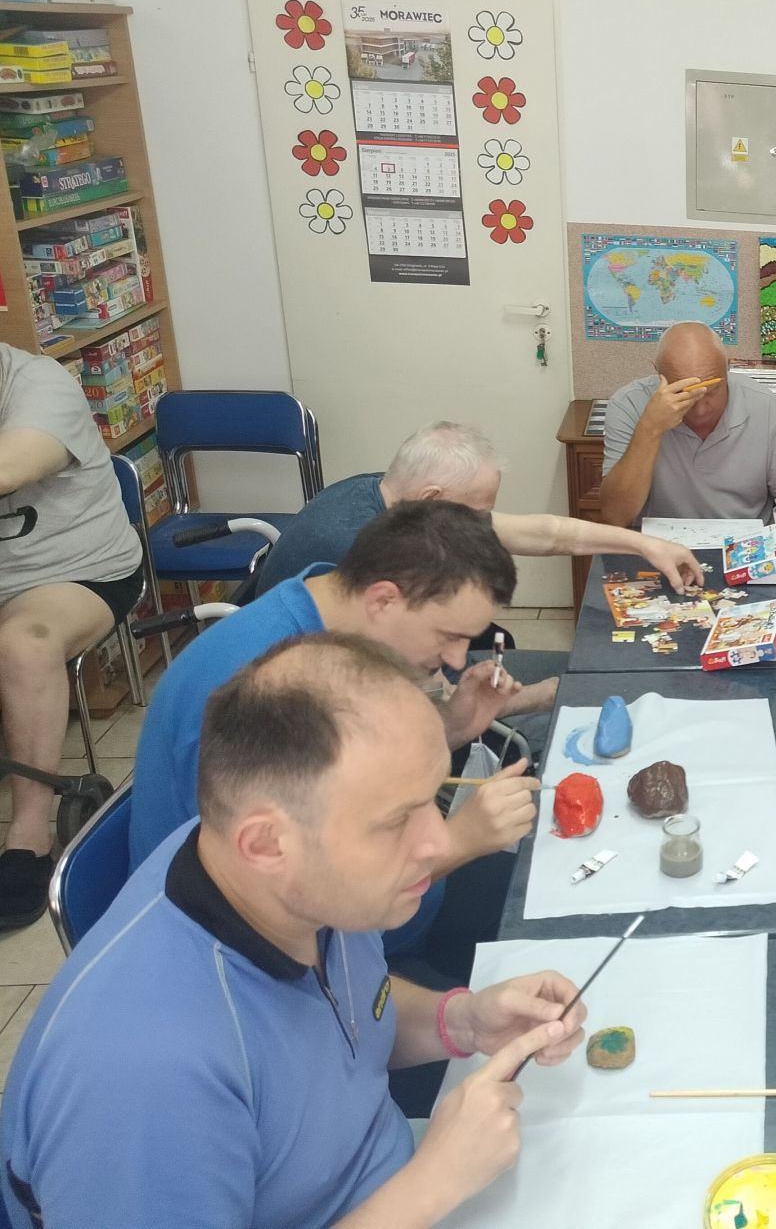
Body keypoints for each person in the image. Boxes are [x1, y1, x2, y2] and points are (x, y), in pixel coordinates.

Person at [2, 634, 589, 1226]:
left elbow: (344, 1016)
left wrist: (461, 1020)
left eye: (433, 797)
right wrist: (434, 1183)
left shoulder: (291, 883)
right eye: (395, 822)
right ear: (266, 843)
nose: (439, 841)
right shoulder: (144, 1077)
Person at [128, 501, 538, 971]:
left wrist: (454, 727)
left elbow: (346, 774)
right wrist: (459, 841)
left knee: (543, 888)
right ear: (383, 600)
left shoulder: (325, 604)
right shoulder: (265, 685)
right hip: (302, 953)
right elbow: (297, 897)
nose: (458, 660)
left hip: (386, 899)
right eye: (448, 636)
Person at [0, 343, 145, 926]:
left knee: (24, 643)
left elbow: (15, 464)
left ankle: (28, 833)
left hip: (74, 572)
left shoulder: (41, 384)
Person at [252, 420, 704, 594]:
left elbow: (549, 534)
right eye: (475, 511)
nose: (480, 523)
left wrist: (645, 545)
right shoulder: (361, 551)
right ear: (432, 498)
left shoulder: (389, 490)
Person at [595, 321, 776, 533]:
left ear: (727, 368)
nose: (700, 409)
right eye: (683, 393)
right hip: (660, 546)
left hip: (746, 546)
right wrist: (650, 429)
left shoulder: (765, 407)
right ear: (658, 374)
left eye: (712, 391)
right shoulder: (628, 405)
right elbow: (615, 517)